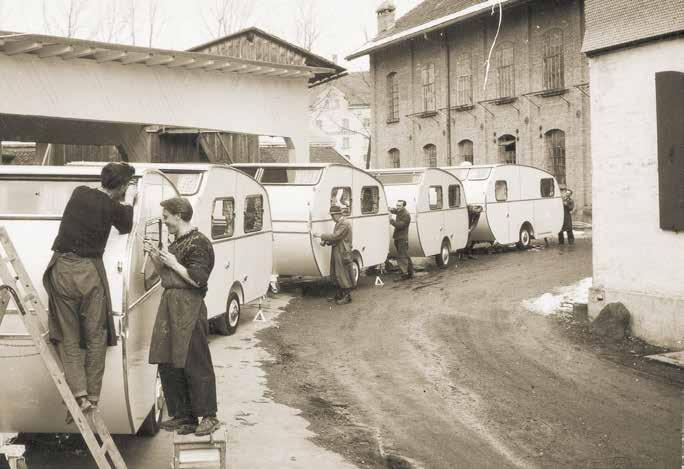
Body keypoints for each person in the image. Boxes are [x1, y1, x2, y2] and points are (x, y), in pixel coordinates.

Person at [43, 162, 136, 418]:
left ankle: (79, 395)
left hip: (61, 268)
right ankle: (93, 396)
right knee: (95, 336)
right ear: (123, 186)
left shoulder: (79, 192)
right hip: (88, 273)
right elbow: (127, 225)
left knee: (68, 335)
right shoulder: (115, 208)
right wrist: (128, 201)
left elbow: (96, 200)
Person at [144, 197, 221, 436]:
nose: (164, 221)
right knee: (169, 360)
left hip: (190, 305)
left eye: (166, 217)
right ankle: (184, 416)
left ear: (179, 215)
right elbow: (164, 276)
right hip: (171, 302)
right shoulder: (178, 242)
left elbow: (198, 280)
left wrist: (174, 263)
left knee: (195, 361)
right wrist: (157, 258)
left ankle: (208, 416)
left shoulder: (199, 243)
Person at [312, 205, 354, 305]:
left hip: (342, 252)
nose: (331, 217)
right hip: (338, 250)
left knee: (342, 274)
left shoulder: (344, 223)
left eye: (332, 215)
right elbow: (337, 239)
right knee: (337, 273)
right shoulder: (340, 223)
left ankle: (347, 296)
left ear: (337, 214)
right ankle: (341, 294)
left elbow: (336, 236)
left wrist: (321, 236)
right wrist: (326, 242)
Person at [389, 200, 414, 280]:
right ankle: (410, 273)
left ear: (403, 206)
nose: (397, 207)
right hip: (398, 237)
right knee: (405, 255)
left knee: (402, 256)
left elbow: (400, 226)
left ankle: (404, 274)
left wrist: (391, 220)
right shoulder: (400, 211)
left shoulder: (406, 215)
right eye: (397, 205)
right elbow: (395, 210)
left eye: (399, 206)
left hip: (402, 238)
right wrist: (389, 209)